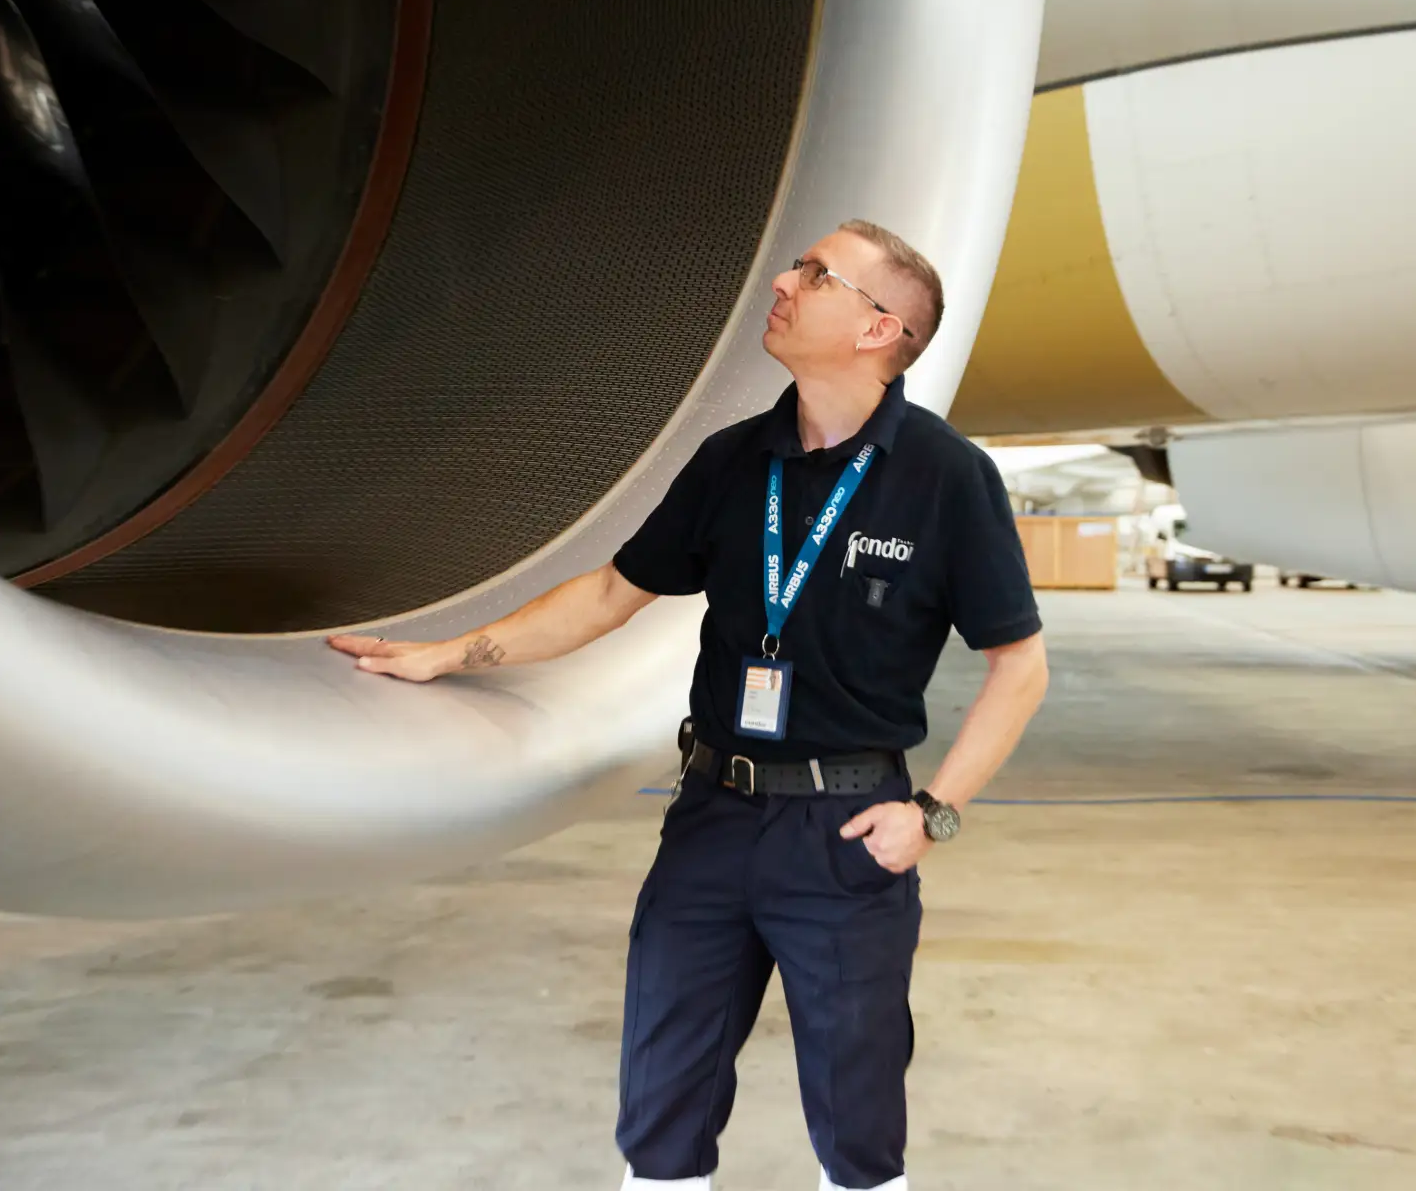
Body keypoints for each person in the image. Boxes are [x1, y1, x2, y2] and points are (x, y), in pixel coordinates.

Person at [329, 219, 1049, 1191]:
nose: (783, 282)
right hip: (713, 816)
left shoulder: (944, 478)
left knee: (858, 1123)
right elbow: (609, 594)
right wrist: (451, 654)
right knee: (661, 1108)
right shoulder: (732, 462)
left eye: (815, 273)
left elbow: (1019, 665)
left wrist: (933, 813)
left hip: (845, 832)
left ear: (881, 330)